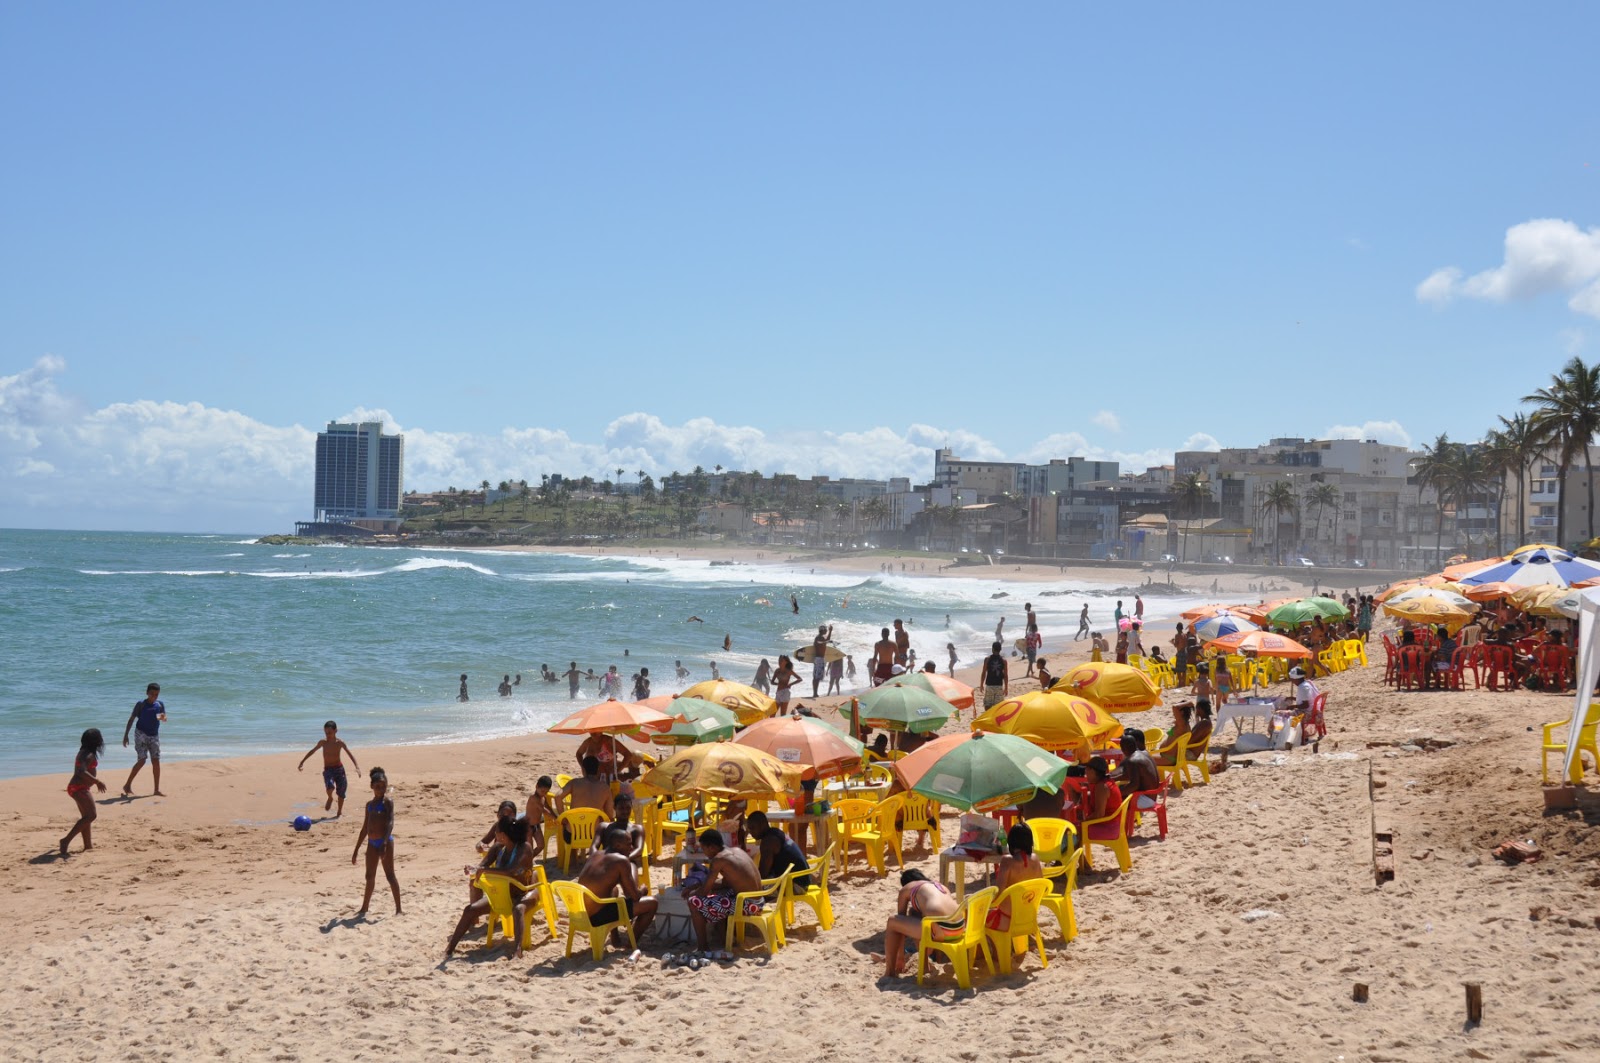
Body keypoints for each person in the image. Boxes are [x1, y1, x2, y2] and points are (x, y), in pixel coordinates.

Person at [446, 816, 535, 960]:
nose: (495, 835)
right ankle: (449, 949)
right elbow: (483, 866)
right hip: (501, 895)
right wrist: (473, 868)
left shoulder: (524, 847)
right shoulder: (498, 848)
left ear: (504, 835)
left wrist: (485, 870)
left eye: (497, 832)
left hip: (525, 892)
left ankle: (518, 950)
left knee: (518, 909)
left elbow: (511, 870)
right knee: (469, 910)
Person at [684, 829, 764, 955]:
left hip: (749, 906)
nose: (704, 853)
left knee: (693, 902)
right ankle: (724, 939)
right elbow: (726, 883)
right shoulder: (736, 851)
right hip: (758, 900)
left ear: (711, 847)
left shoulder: (718, 860)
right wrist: (698, 885)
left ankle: (703, 947)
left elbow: (703, 893)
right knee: (719, 894)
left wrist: (692, 892)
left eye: (704, 849)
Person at [577, 826, 659, 948]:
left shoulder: (595, 854)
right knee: (652, 903)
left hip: (580, 913)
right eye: (629, 844)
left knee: (613, 890)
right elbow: (634, 896)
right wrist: (643, 890)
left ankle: (615, 938)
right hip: (596, 917)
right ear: (618, 845)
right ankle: (631, 944)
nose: (631, 848)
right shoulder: (621, 861)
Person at [872, 868, 963, 978]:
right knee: (914, 913)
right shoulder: (939, 886)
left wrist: (900, 957)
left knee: (892, 922)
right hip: (958, 929)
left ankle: (890, 972)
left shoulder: (906, 889)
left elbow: (899, 924)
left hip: (940, 930)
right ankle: (924, 965)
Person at [352, 767, 401, 917]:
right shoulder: (369, 805)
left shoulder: (388, 802)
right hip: (372, 844)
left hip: (385, 842)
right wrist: (356, 850)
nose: (381, 790)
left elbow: (391, 823)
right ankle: (365, 907)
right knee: (369, 876)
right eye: (378, 787)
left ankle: (399, 909)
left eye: (384, 786)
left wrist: (385, 843)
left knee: (390, 875)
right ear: (371, 787)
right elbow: (365, 828)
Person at [988, 824, 1044, 933]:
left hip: (1007, 921)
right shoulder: (1036, 859)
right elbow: (1041, 887)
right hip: (1028, 918)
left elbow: (998, 894)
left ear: (1011, 840)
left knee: (974, 916)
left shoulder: (1007, 861)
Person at [298, 720, 360, 817]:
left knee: (341, 792)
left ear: (336, 731)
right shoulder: (323, 742)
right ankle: (330, 797)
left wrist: (357, 767)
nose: (328, 735)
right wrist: (302, 761)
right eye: (326, 733)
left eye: (330, 733)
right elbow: (312, 751)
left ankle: (339, 811)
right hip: (328, 770)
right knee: (329, 786)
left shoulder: (340, 743)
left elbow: (350, 754)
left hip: (339, 769)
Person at [61, 728, 108, 856]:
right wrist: (97, 781)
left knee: (86, 817)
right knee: (91, 815)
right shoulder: (89, 755)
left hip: (76, 787)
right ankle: (65, 841)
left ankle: (88, 845)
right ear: (96, 741)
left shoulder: (83, 752)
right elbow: (80, 771)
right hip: (79, 788)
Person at [120, 682, 167, 797]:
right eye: (152, 694)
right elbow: (131, 719)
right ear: (147, 693)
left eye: (156, 694)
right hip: (140, 734)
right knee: (142, 760)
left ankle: (156, 790)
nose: (154, 696)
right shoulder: (141, 704)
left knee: (156, 761)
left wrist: (162, 717)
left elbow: (163, 718)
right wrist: (126, 735)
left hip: (154, 735)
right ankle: (127, 785)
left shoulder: (160, 704)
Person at [746, 810, 811, 890]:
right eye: (749, 830)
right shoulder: (775, 832)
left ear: (762, 825)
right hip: (802, 879)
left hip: (796, 885)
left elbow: (763, 874)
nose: (751, 833)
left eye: (752, 828)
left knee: (750, 889)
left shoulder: (768, 842)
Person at [558, 756, 615, 822]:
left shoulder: (574, 783)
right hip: (594, 830)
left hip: (573, 829)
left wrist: (563, 818)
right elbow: (610, 814)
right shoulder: (605, 788)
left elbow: (557, 797)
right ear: (598, 769)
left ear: (583, 769)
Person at [524, 776, 557, 853]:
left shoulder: (543, 797)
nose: (544, 793)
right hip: (528, 826)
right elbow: (544, 810)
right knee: (529, 848)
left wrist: (555, 816)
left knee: (541, 845)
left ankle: (530, 859)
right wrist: (555, 818)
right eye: (542, 791)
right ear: (536, 786)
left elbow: (548, 807)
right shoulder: (533, 798)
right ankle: (528, 861)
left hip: (536, 826)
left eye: (546, 792)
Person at [981, 640, 1009, 709]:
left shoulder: (987, 659)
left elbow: (984, 672)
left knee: (987, 706)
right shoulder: (1004, 661)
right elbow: (1005, 675)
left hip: (989, 685)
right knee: (999, 707)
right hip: (999, 685)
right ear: (1000, 649)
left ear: (992, 649)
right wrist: (1006, 688)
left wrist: (981, 684)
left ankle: (989, 719)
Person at [812, 624, 835, 697]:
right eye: (826, 630)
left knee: (816, 677)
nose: (826, 631)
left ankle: (815, 693)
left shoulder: (819, 637)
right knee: (816, 677)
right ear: (823, 630)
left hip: (818, 659)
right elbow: (823, 641)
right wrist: (830, 633)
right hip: (819, 659)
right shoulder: (819, 638)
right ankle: (815, 693)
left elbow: (826, 640)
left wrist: (830, 631)